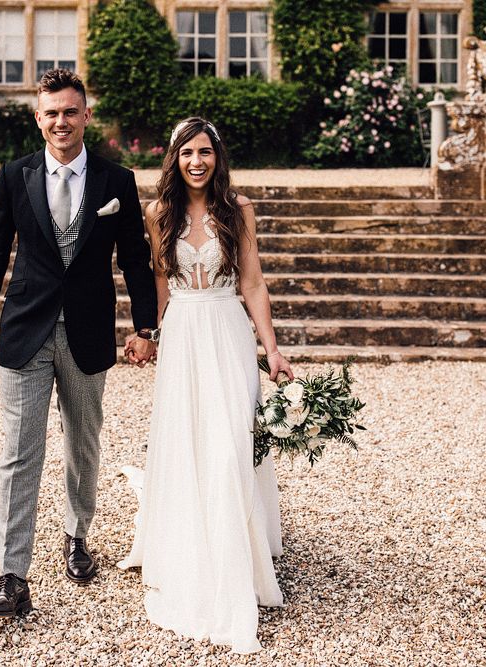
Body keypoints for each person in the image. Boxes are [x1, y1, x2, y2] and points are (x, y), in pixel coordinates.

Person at [0, 68, 158, 619]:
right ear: (38, 118)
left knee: (83, 444)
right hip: (25, 331)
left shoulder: (115, 180)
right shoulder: (15, 174)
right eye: (50, 113)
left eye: (70, 111)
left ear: (85, 115)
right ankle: (11, 574)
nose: (60, 121)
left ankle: (78, 536)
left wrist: (145, 327)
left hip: (89, 330)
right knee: (19, 453)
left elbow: (137, 261)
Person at [117, 117, 293, 653]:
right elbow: (159, 282)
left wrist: (272, 347)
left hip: (227, 331)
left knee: (230, 442)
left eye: (206, 152)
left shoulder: (237, 210)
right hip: (183, 338)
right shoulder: (158, 213)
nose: (197, 161)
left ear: (217, 157)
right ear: (174, 158)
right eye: (187, 152)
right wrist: (147, 333)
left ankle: (236, 548)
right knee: (189, 439)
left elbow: (253, 282)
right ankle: (191, 540)